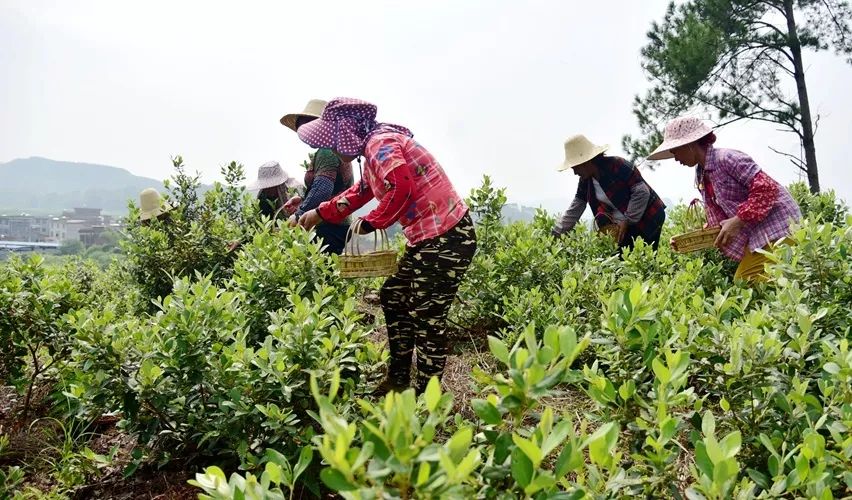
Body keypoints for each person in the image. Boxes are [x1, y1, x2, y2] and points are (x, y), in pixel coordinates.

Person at [294, 97, 477, 395]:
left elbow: (400, 185)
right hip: (429, 237)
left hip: (448, 236)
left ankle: (425, 396)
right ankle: (399, 378)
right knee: (393, 295)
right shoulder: (373, 149)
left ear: (346, 132)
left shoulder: (381, 143)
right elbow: (360, 192)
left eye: (332, 137)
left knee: (429, 317)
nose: (331, 146)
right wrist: (319, 213)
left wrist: (372, 221)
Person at [648, 116, 802, 280]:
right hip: (761, 236)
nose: (675, 158)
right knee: (754, 283)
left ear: (689, 145)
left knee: (746, 282)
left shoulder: (726, 158)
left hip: (781, 227)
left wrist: (738, 220)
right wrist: (690, 240)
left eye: (675, 151)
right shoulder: (702, 174)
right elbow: (721, 218)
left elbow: (767, 188)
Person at [552, 135, 666, 250]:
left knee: (643, 257)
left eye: (575, 168)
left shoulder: (617, 165)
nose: (575, 172)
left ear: (586, 162)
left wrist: (627, 220)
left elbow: (641, 192)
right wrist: (557, 233)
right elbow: (577, 205)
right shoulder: (586, 180)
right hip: (623, 223)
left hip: (648, 216)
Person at [280, 99, 353, 255]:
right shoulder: (332, 149)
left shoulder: (327, 151)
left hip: (329, 225)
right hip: (335, 222)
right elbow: (329, 187)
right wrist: (302, 200)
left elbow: (322, 189)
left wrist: (298, 216)